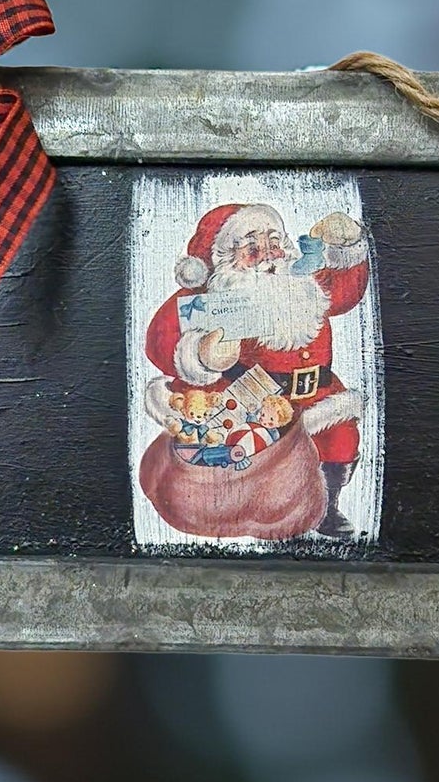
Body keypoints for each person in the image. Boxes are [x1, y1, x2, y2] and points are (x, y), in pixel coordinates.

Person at [145, 202, 370, 537]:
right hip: (256, 399)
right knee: (257, 466)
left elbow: (346, 291)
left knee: (340, 441)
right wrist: (203, 353)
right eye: (252, 248)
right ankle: (253, 514)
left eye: (274, 243)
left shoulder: (305, 282)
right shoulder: (215, 295)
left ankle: (327, 507)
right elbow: (161, 337)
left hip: (320, 395)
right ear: (226, 259)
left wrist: (346, 245)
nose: (267, 256)